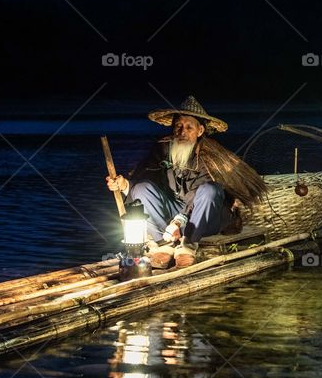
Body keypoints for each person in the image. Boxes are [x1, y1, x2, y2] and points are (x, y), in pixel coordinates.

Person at [106, 96, 268, 269]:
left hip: (204, 216)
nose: (182, 131)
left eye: (189, 127)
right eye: (178, 126)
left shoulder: (210, 156)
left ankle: (187, 246)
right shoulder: (163, 149)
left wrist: (178, 222)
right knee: (141, 188)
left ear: (199, 131)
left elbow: (202, 193)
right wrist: (124, 185)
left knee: (210, 190)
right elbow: (147, 177)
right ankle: (164, 245)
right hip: (171, 217)